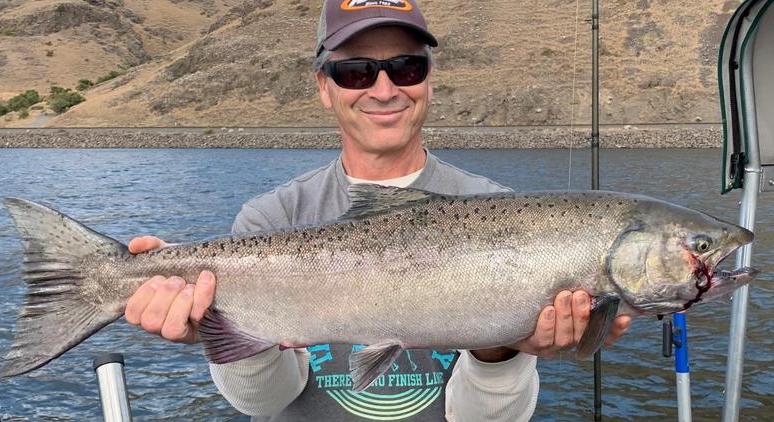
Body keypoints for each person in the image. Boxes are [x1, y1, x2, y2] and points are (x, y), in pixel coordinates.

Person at [124, 0, 631, 420]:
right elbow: (264, 401)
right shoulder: (270, 219)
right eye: (355, 72)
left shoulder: (506, 213)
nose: (384, 90)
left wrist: (500, 349)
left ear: (428, 81)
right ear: (324, 87)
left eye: (406, 67)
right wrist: (218, 325)